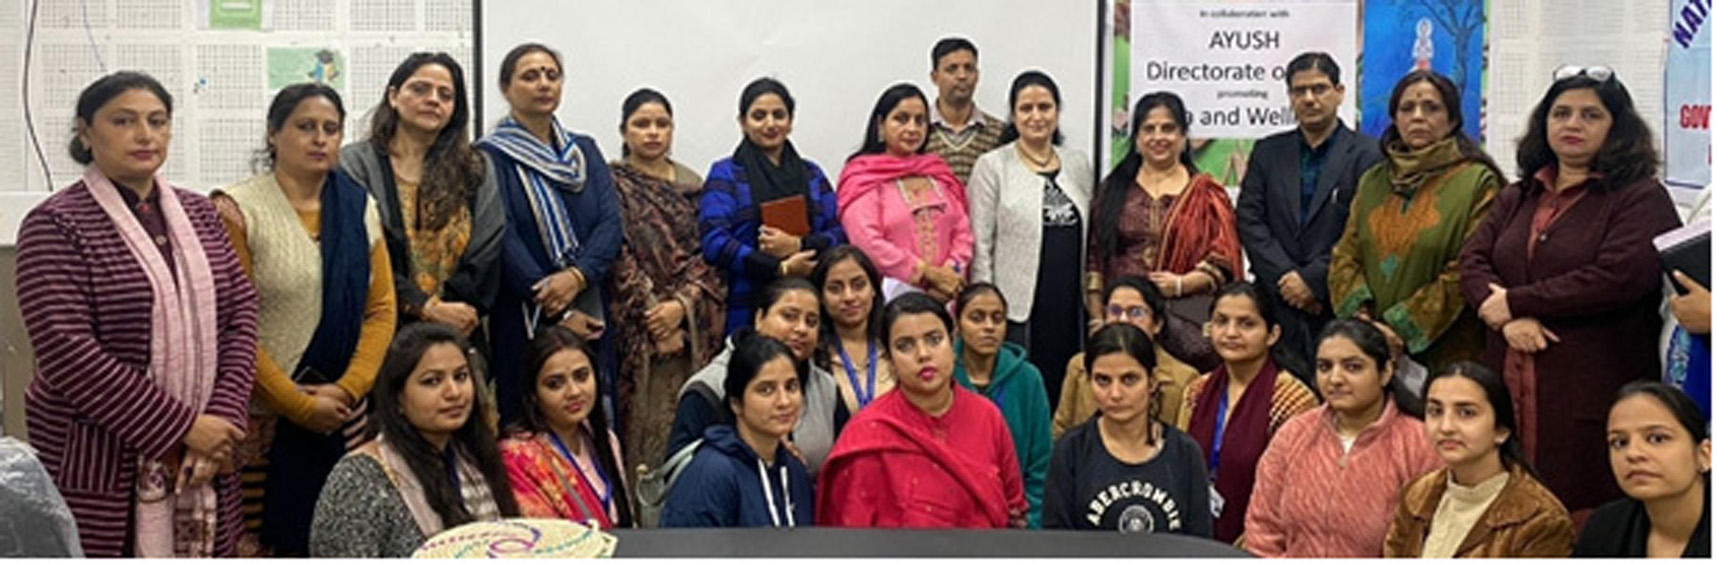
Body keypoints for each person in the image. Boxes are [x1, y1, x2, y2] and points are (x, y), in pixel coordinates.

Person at [17, 71, 260, 557]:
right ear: (86, 133)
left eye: (157, 121)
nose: (145, 135)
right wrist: (184, 428)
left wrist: (220, 420)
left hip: (207, 454)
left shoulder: (201, 213)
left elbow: (241, 313)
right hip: (102, 455)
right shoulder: (56, 224)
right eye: (123, 121)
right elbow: (68, 352)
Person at [1459, 66, 1683, 514]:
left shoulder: (1641, 197)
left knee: (1584, 513)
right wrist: (1508, 317)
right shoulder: (1519, 195)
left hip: (1591, 391)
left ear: (1616, 128)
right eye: (1560, 114)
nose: (1572, 125)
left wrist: (1516, 302)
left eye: (1590, 115)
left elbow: (1620, 276)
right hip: (1510, 380)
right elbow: (1472, 261)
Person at [211, 83, 396, 556]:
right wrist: (296, 404)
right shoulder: (235, 210)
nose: (320, 139)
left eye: (330, 129)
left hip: (344, 415)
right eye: (305, 127)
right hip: (261, 424)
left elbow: (380, 310)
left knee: (343, 538)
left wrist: (349, 388)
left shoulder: (358, 206)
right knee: (267, 544)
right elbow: (233, 323)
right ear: (274, 135)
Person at [476, 43, 624, 426]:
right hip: (525, 311)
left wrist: (576, 278)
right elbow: (501, 235)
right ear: (505, 88)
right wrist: (555, 302)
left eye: (551, 75)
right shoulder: (489, 157)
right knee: (529, 425)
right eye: (530, 76)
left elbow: (610, 224)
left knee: (593, 422)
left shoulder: (585, 150)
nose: (543, 84)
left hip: (589, 303)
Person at [339, 52, 503, 396]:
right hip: (380, 339)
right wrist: (425, 307)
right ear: (393, 96)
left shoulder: (475, 168)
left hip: (460, 338)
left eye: (445, 95)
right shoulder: (354, 164)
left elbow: (487, 250)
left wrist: (449, 315)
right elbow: (358, 254)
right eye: (420, 89)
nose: (433, 99)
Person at [1328, 70, 1503, 376]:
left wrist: (1402, 328)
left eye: (1432, 108)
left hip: (1447, 349)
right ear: (1395, 118)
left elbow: (1467, 268)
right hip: (1371, 349)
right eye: (1407, 109)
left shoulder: (1478, 182)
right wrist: (1364, 322)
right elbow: (1346, 254)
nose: (1418, 116)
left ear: (1452, 120)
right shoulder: (1374, 179)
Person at [817, 292, 1027, 528]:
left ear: (953, 341)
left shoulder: (987, 417)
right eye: (905, 346)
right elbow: (849, 533)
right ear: (889, 358)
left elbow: (1014, 511)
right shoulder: (866, 435)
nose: (923, 354)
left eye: (934, 339)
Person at [310, 323, 519, 557]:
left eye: (460, 376)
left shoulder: (473, 458)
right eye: (432, 381)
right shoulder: (359, 478)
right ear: (397, 398)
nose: (454, 392)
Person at [1236, 52, 1383, 375]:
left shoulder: (1369, 154)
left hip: (1337, 304)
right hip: (1275, 304)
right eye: (1299, 91)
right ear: (1290, 96)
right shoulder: (1268, 151)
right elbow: (1249, 219)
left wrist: (1313, 280)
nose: (1309, 99)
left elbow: (1367, 232)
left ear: (1340, 92)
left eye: (1319, 89)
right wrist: (1287, 279)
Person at [607, 87, 727, 480]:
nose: (653, 132)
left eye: (662, 124)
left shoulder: (693, 183)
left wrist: (680, 309)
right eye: (642, 124)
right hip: (638, 331)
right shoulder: (612, 183)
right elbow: (618, 253)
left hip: (691, 330)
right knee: (641, 439)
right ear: (624, 131)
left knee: (689, 428)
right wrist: (653, 317)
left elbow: (707, 256)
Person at [1245, 320, 1442, 557]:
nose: (1335, 379)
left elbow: (1431, 541)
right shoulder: (1294, 434)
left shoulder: (1419, 444)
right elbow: (1262, 527)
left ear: (1386, 372)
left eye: (1353, 367)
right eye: (1325, 367)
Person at [968, 70, 1095, 399]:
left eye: (1045, 107)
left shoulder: (1077, 163)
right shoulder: (993, 165)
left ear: (1057, 111)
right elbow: (981, 242)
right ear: (1013, 114)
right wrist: (986, 306)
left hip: (1069, 302)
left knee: (1067, 383)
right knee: (1021, 389)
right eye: (1026, 109)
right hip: (1017, 306)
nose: (1036, 116)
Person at [700, 77, 846, 334]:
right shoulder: (726, 173)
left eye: (779, 115)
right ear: (742, 122)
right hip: (746, 302)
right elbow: (714, 241)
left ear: (790, 121)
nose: (770, 124)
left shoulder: (812, 174)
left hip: (810, 298)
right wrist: (779, 268)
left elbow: (838, 233)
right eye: (759, 116)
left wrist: (798, 245)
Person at [1383, 362, 1573, 557]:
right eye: (1436, 411)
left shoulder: (1540, 519)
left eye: (1466, 413)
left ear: (1501, 430)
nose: (1446, 427)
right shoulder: (1417, 494)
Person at [1177, 282, 1319, 543]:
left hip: (1262, 543)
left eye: (1246, 324)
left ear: (1272, 334)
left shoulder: (1291, 400)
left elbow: (1293, 493)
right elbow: (1180, 466)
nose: (1231, 333)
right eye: (1221, 321)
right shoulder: (1196, 391)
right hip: (1195, 536)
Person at [1042, 323, 1212, 536]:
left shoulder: (1185, 453)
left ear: (1151, 382)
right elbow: (1056, 542)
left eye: (1129, 379)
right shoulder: (1071, 450)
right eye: (1103, 380)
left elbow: (1199, 544)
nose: (1115, 394)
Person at [1088, 92, 1242, 326]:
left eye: (1168, 128)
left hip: (1186, 321)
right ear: (1137, 139)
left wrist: (1181, 284)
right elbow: (1095, 260)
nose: (1158, 137)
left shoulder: (1206, 193)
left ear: (1182, 137)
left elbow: (1224, 263)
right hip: (1122, 320)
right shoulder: (1113, 189)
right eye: (1149, 129)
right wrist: (1097, 320)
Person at [665, 278, 848, 475]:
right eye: (789, 316)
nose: (802, 329)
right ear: (759, 318)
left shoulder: (826, 388)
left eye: (811, 322)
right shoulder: (709, 389)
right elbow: (678, 475)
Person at [837, 83, 973, 302]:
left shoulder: (937, 173)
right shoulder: (863, 176)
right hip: (891, 298)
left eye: (920, 121)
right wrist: (926, 273)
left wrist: (950, 276)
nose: (912, 128)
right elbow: (867, 242)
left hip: (947, 296)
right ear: (881, 125)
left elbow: (963, 232)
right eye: (901, 119)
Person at [660, 335, 815, 528]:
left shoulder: (795, 471)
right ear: (736, 403)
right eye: (766, 390)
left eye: (791, 387)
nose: (784, 401)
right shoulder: (712, 473)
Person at [499, 326, 631, 528]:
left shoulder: (605, 440)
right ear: (533, 395)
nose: (574, 392)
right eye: (555, 384)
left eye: (581, 376)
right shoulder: (519, 458)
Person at [1053, 276, 1207, 438]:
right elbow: (1061, 429)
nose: (1123, 320)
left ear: (1157, 324)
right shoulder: (1079, 366)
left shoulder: (1184, 379)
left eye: (1136, 312)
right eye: (1115, 311)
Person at [952, 283, 1052, 528]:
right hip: (953, 520)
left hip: (1016, 521)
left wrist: (1029, 521)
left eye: (997, 319)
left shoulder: (1028, 379)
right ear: (957, 325)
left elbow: (1041, 461)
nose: (989, 327)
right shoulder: (943, 376)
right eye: (977, 318)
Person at [1575, 381, 1711, 557]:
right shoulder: (1604, 528)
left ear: (1704, 455)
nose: (1633, 454)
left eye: (1657, 438)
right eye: (1620, 442)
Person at [810, 245, 894, 413]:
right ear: (821, 298)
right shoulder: (812, 354)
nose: (849, 297)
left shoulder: (893, 344)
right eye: (835, 288)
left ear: (873, 290)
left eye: (858, 285)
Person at [924, 37, 1007, 184]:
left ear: (977, 76)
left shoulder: (999, 133)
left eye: (969, 68)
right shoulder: (917, 132)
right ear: (934, 77)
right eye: (952, 69)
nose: (962, 76)